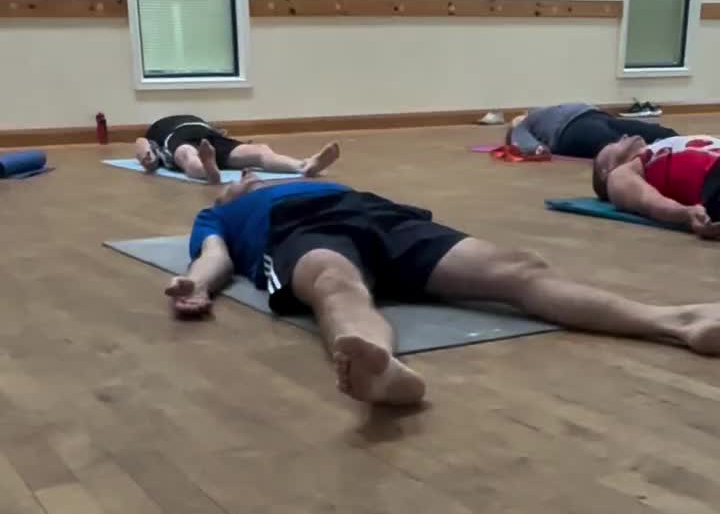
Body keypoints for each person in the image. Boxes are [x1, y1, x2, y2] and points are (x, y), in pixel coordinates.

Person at [164, 172, 720, 407]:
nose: (241, 180)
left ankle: (677, 321)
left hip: (384, 218)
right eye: (232, 184)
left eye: (243, 177)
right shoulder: (221, 215)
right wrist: (198, 285)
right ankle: (378, 365)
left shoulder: (308, 181)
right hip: (301, 233)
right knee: (335, 284)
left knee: (518, 267)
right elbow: (213, 257)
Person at [134, 114, 340, 185]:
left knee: (259, 150)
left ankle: (305, 165)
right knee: (188, 154)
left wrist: (147, 159)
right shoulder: (155, 131)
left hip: (207, 134)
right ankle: (301, 165)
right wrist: (148, 158)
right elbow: (141, 143)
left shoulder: (163, 128)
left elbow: (141, 145)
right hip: (185, 136)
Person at [593, 134, 720, 239]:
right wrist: (687, 213)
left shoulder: (658, 146)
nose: (624, 136)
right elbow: (648, 200)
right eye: (614, 144)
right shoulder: (618, 175)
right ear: (605, 171)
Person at [507, 104, 677, 159]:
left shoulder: (539, 113)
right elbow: (523, 142)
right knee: (615, 143)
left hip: (596, 116)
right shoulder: (523, 125)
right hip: (570, 129)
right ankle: (656, 157)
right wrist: (537, 149)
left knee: (648, 130)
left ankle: (680, 142)